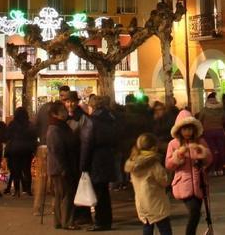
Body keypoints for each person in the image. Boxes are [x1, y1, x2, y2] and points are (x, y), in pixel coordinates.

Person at [166, 110, 210, 235]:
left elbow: (209, 159)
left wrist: (202, 154)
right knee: (194, 211)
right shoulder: (173, 144)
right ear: (179, 130)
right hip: (183, 184)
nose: (187, 132)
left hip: (199, 183)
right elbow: (169, 165)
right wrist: (178, 156)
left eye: (190, 129)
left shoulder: (200, 142)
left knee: (196, 213)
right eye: (185, 129)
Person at [80, 95, 118, 231]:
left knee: (98, 192)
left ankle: (101, 221)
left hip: (96, 159)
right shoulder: (111, 119)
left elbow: (86, 143)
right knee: (104, 192)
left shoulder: (91, 121)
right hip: (108, 157)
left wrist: (83, 165)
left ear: (92, 106)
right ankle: (106, 220)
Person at [125, 133, 172, 235]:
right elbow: (164, 181)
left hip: (141, 202)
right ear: (154, 148)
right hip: (156, 201)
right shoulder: (153, 163)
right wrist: (169, 172)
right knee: (164, 227)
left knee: (147, 226)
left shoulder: (133, 163)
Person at [45, 101, 80, 230]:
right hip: (60, 167)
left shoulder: (61, 126)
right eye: (62, 111)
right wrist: (63, 168)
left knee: (61, 194)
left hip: (62, 165)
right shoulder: (55, 129)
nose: (65, 113)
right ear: (55, 114)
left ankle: (60, 221)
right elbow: (57, 151)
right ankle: (67, 221)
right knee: (66, 194)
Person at [4, 106, 36, 197]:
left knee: (16, 170)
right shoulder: (29, 124)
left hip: (15, 150)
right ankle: (28, 190)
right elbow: (34, 136)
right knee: (27, 170)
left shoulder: (12, 124)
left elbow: (7, 136)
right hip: (27, 150)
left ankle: (17, 190)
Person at [196, 92, 225, 175]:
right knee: (221, 150)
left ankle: (212, 170)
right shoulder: (221, 109)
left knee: (212, 151)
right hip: (220, 131)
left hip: (208, 132)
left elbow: (200, 120)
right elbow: (224, 119)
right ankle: (220, 169)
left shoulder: (204, 110)